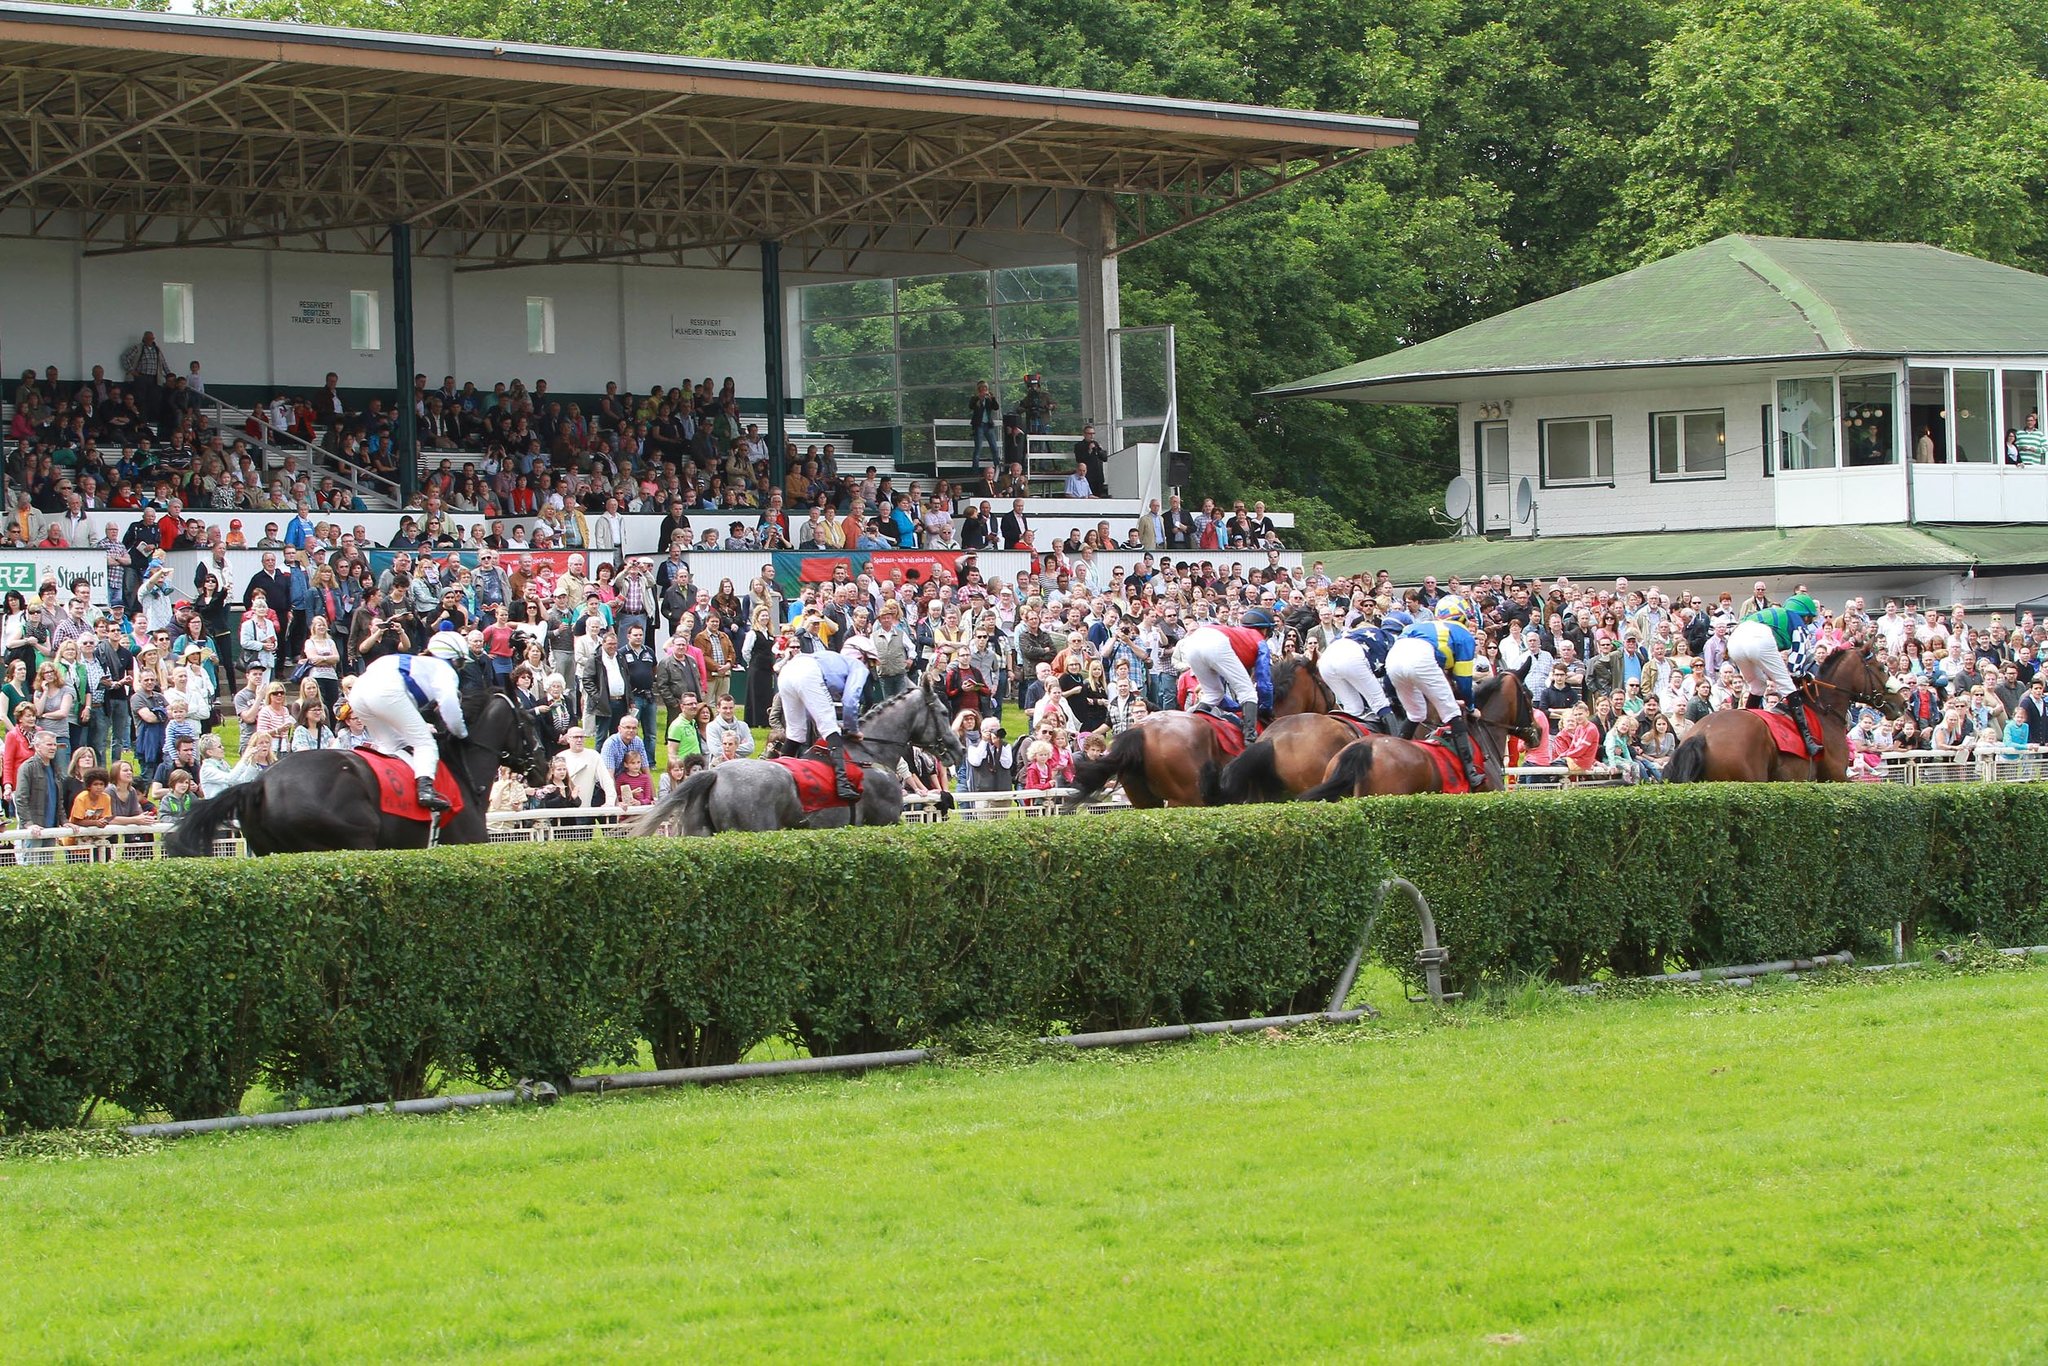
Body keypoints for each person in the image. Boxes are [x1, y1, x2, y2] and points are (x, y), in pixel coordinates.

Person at [347, 632, 472, 811]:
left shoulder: (417, 661)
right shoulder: (444, 670)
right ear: (454, 659)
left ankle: (389, 788)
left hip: (358, 693)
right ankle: (425, 792)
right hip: (386, 691)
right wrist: (462, 733)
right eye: (460, 662)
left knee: (392, 746)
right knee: (425, 743)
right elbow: (450, 707)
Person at [1386, 595, 1483, 789]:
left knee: (1416, 714)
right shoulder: (1463, 634)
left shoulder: (1421, 625)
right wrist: (1471, 707)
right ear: (1463, 616)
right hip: (1421, 659)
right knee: (1452, 713)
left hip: (1393, 659)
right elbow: (1464, 682)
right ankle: (1471, 771)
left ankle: (1394, 752)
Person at [774, 631, 873, 801]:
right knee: (830, 728)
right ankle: (843, 785)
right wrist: (852, 729)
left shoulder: (831, 657)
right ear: (863, 656)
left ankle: (777, 776)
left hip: (787, 673)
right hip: (808, 673)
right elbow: (850, 702)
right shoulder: (858, 666)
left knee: (795, 733)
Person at [1727, 592, 1822, 757]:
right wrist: (1804, 675)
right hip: (1759, 638)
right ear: (1805, 616)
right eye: (1810, 619)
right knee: (1787, 687)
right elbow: (1795, 667)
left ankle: (1746, 726)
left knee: (1757, 686)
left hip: (1735, 641)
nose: (1809, 622)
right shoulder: (1798, 623)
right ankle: (1809, 741)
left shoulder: (1774, 614)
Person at [1178, 608, 1276, 746]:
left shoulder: (1236, 634)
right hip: (1216, 643)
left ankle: (1190, 720)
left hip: (1192, 642)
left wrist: (1238, 708)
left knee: (1213, 693)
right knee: (1248, 693)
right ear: (1266, 630)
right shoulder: (1259, 640)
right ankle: (1250, 739)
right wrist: (1265, 708)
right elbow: (1264, 682)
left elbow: (1223, 689)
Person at [1320, 618, 1399, 729]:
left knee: (1353, 709)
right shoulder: (1391, 639)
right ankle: (1396, 741)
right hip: (1350, 657)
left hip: (1325, 661)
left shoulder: (1355, 633)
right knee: (1380, 703)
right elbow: (1389, 680)